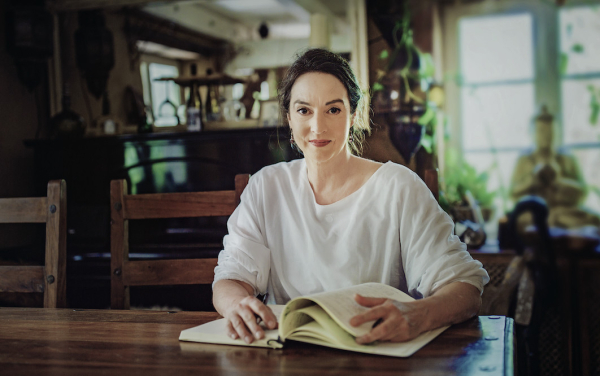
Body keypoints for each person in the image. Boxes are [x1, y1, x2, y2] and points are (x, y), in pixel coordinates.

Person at [212, 48, 489, 345]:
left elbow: (465, 289)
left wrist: (419, 314)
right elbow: (231, 278)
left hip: (376, 351)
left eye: (333, 109)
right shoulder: (266, 186)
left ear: (353, 115)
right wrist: (236, 305)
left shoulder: (398, 187)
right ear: (289, 119)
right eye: (304, 110)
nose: (318, 127)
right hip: (290, 352)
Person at [510, 105, 600, 230]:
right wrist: (533, 179)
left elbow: (582, 193)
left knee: (593, 220)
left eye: (550, 131)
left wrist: (559, 180)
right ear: (532, 133)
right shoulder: (524, 160)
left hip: (564, 211)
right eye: (541, 131)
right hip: (532, 214)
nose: (546, 136)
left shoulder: (567, 158)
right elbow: (513, 193)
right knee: (523, 223)